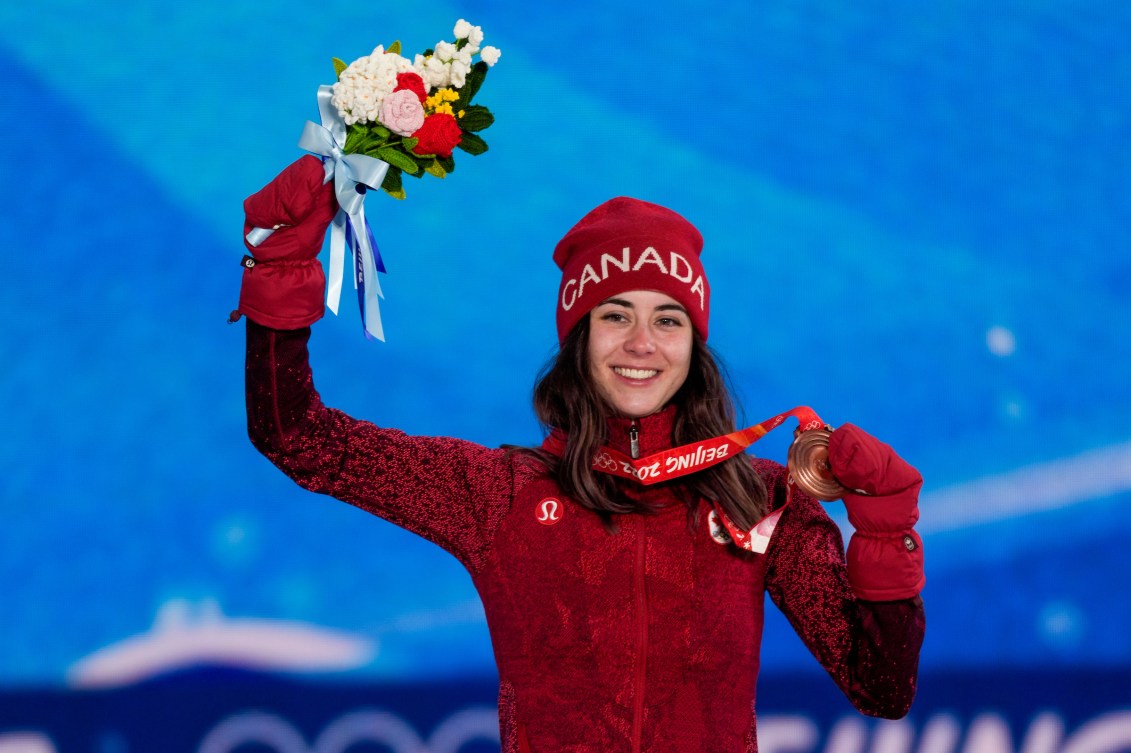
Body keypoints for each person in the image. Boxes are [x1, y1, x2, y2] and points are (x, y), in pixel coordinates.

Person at [234, 155, 926, 753]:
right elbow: (300, 438)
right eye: (614, 315)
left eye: (667, 319)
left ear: (694, 343)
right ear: (577, 336)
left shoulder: (761, 499)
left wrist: (887, 534)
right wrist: (279, 277)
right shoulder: (495, 492)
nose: (641, 343)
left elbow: (879, 686)